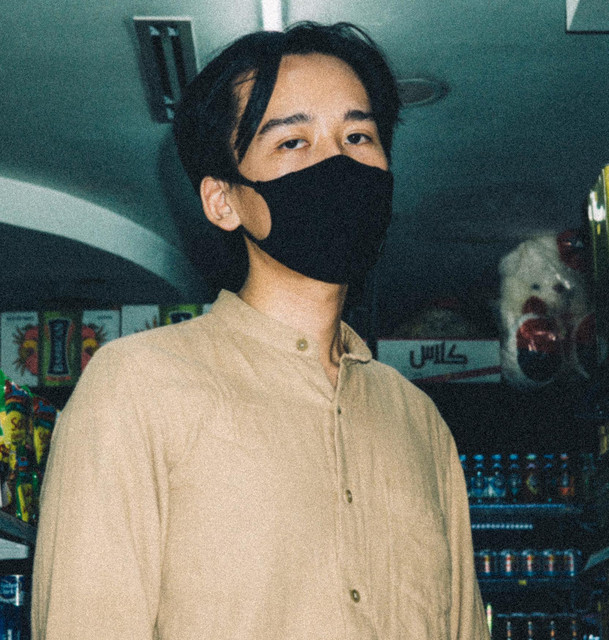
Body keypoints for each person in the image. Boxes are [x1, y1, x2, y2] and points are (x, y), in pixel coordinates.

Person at [31, 21, 489, 640]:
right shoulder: (136, 387)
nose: (338, 161)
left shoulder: (418, 421)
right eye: (293, 141)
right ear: (223, 201)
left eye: (358, 135)